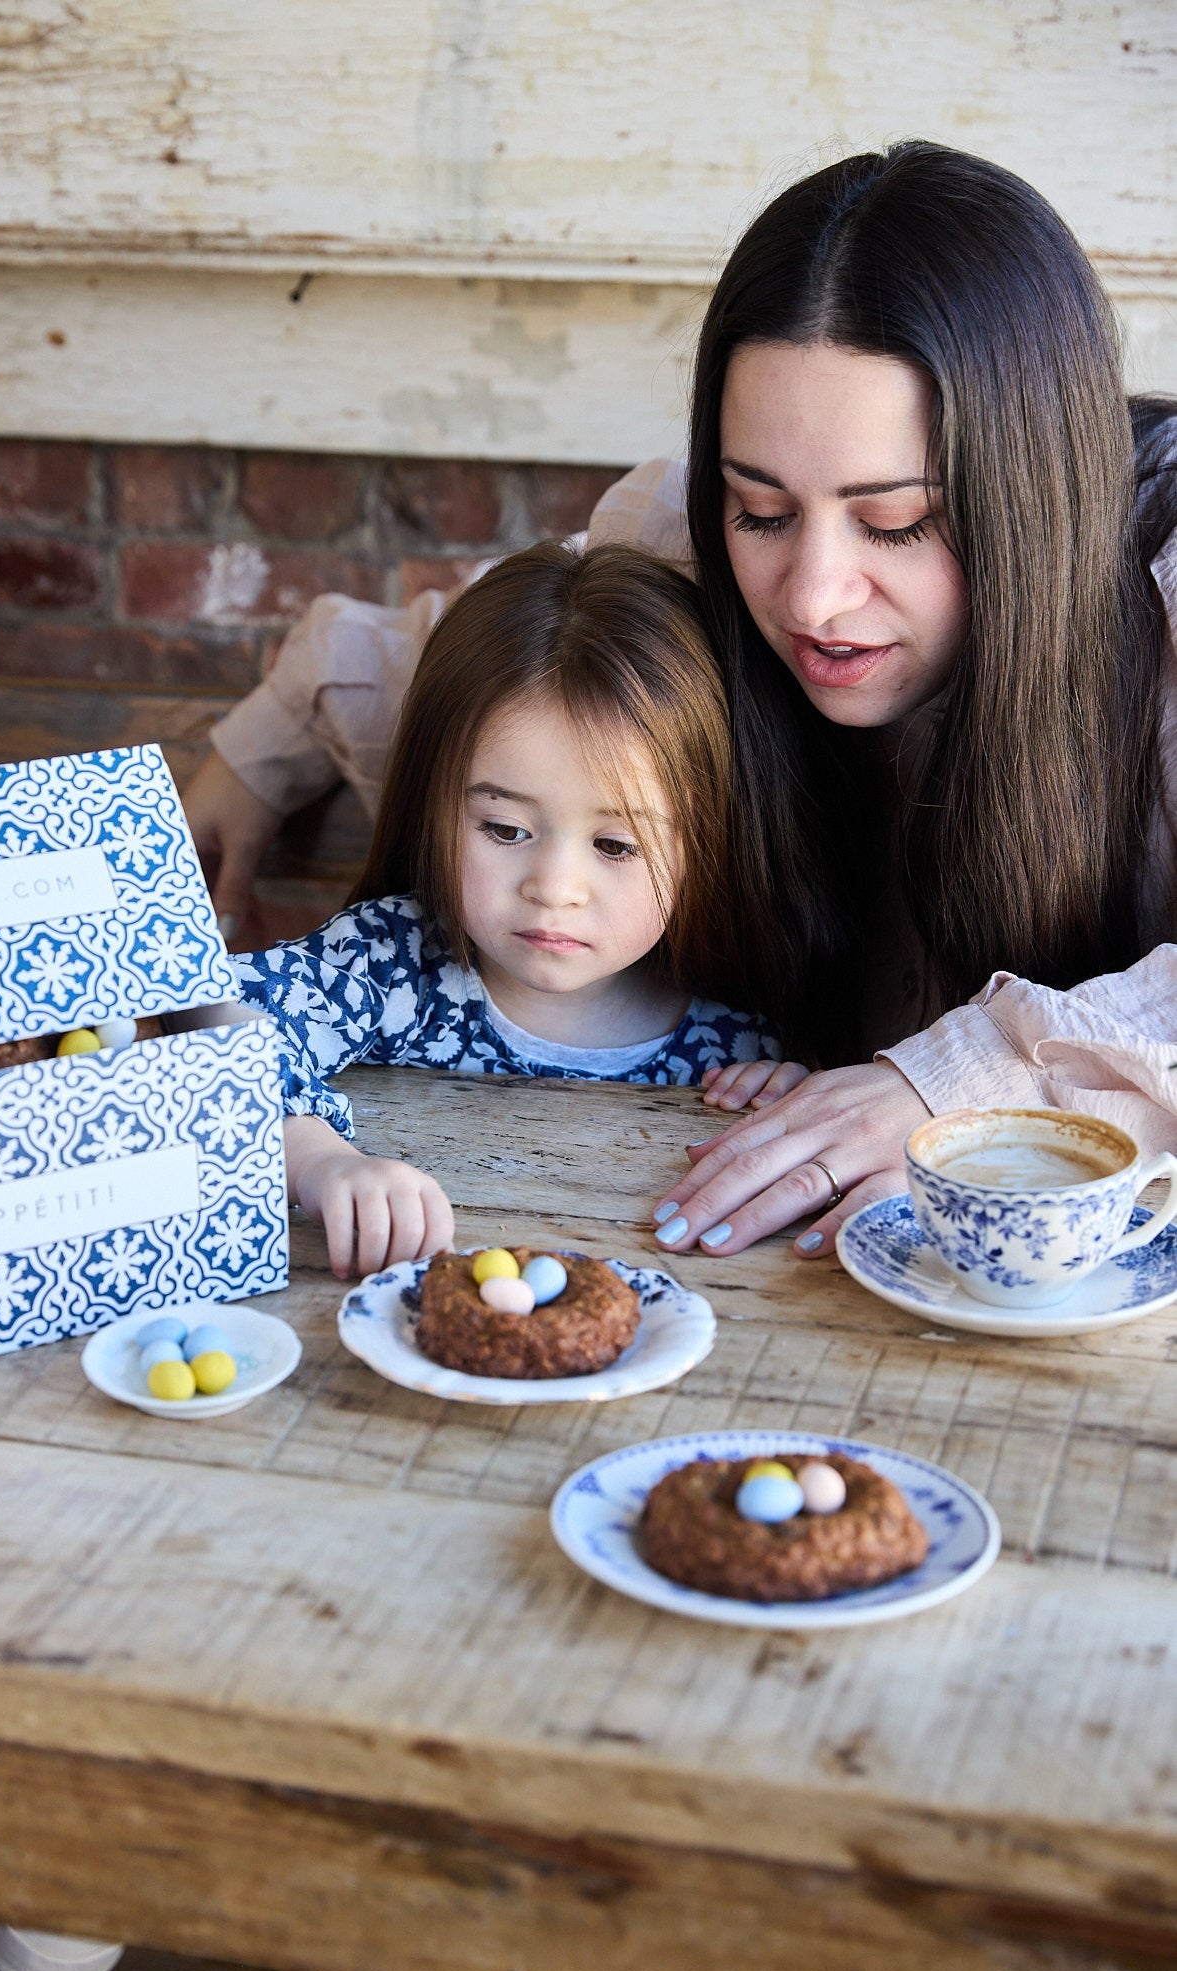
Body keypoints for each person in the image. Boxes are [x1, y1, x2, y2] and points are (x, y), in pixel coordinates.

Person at [184, 139, 1177, 1272]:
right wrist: (261, 751)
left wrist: (962, 1078)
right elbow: (492, 666)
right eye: (758, 508)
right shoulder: (676, 542)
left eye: (896, 520)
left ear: (1034, 485)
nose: (810, 596)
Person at [232, 538, 803, 1277]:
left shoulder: (743, 1042)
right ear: (434, 802)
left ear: (709, 839)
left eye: (616, 845)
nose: (554, 886)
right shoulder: (385, 966)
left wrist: (796, 1097)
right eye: (505, 830)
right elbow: (208, 1029)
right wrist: (319, 1164)